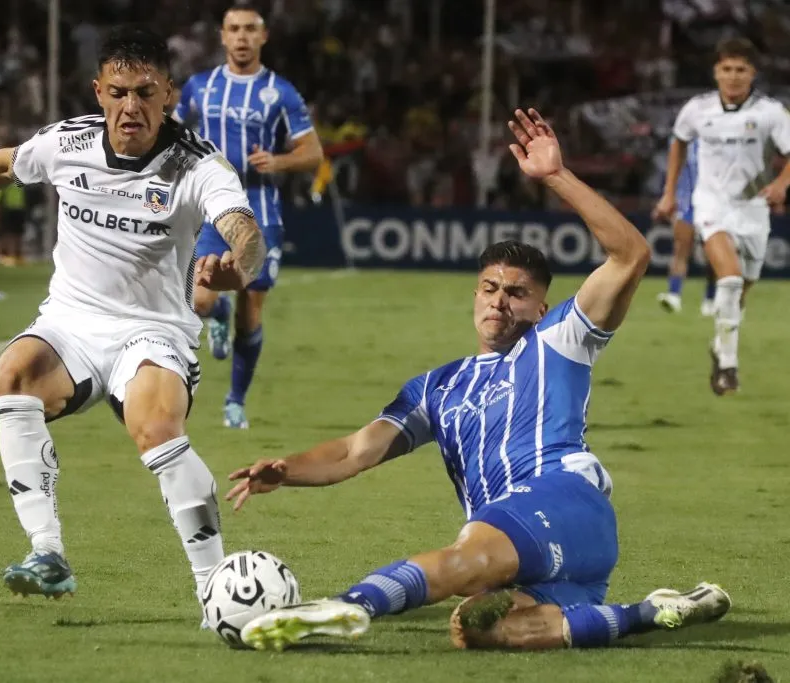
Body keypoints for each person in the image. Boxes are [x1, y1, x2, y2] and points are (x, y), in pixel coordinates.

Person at [226, 109, 731, 652]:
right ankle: (649, 612)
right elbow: (354, 452)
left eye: (517, 293)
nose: (499, 301)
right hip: (539, 553)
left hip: (563, 500)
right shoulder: (437, 388)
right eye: (490, 288)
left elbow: (631, 254)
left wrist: (557, 177)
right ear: (475, 296)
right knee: (477, 627)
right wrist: (288, 469)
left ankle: (346, 606)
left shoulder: (559, 340)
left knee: (467, 557)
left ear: (541, 308)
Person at [0, 25, 265, 617]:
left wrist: (239, 270)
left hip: (153, 330)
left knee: (156, 429)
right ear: (98, 92)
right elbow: (5, 165)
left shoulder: (197, 165)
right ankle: (47, 553)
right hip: (71, 322)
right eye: (118, 92)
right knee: (13, 372)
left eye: (146, 93)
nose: (131, 106)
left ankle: (213, 584)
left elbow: (245, 231)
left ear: (169, 94)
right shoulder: (68, 143)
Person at [173, 4, 323, 429]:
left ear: (263, 36)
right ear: (222, 36)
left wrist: (278, 161)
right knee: (201, 299)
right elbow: (171, 133)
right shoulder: (200, 87)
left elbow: (313, 153)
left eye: (249, 29)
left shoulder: (281, 92)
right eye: (234, 29)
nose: (241, 37)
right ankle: (216, 313)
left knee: (251, 312)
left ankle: (235, 401)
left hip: (261, 215)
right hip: (211, 211)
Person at [654, 37, 790, 395]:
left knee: (742, 290)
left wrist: (781, 184)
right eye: (726, 69)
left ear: (752, 73)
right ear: (716, 72)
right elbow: (679, 142)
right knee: (728, 279)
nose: (733, 76)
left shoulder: (771, 113)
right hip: (711, 205)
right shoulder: (697, 109)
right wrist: (669, 192)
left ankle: (720, 345)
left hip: (754, 209)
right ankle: (728, 366)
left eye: (740, 69)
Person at [655, 138, 718, 316]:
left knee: (712, 254)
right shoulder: (682, 139)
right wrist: (669, 196)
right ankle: (673, 295)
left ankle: (710, 298)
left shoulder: (716, 137)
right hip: (686, 203)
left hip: (711, 204)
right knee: (680, 249)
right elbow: (673, 169)